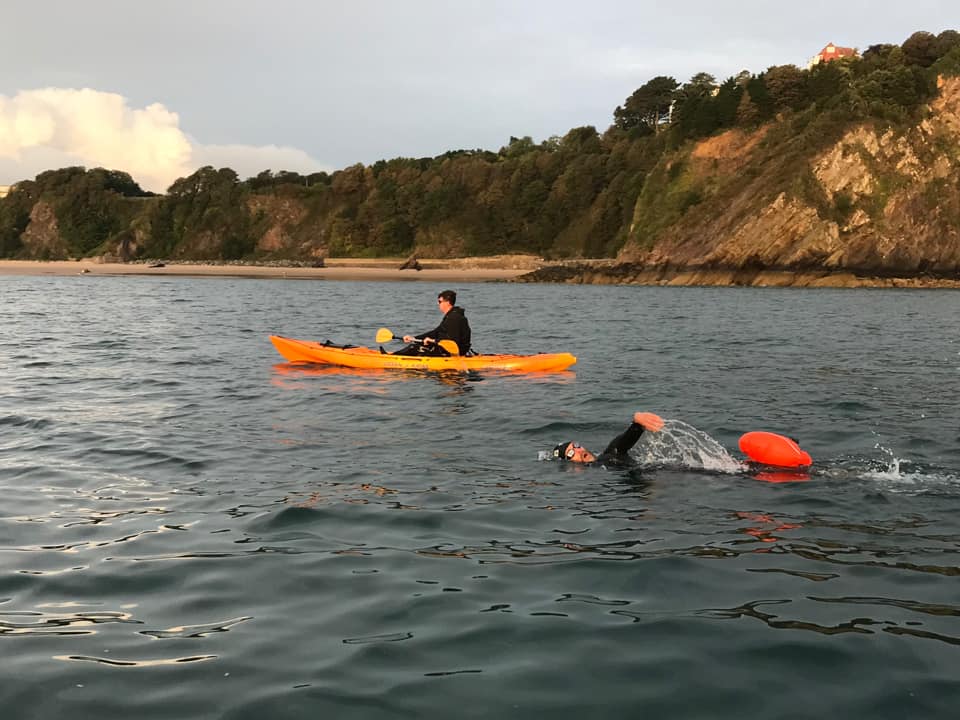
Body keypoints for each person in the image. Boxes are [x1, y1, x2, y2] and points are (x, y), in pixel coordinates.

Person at [552, 412, 665, 468]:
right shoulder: (596, 468)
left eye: (575, 445)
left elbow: (622, 443)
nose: (578, 450)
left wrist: (637, 424)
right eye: (571, 453)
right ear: (568, 463)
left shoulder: (607, 455)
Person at [394, 289, 472, 356]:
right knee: (415, 345)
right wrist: (414, 338)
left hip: (454, 351)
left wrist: (433, 341)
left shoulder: (454, 318)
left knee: (413, 348)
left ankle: (390, 358)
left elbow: (453, 340)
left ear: (447, 302)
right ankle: (392, 356)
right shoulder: (450, 316)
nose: (438, 304)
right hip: (446, 348)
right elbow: (435, 332)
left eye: (440, 301)